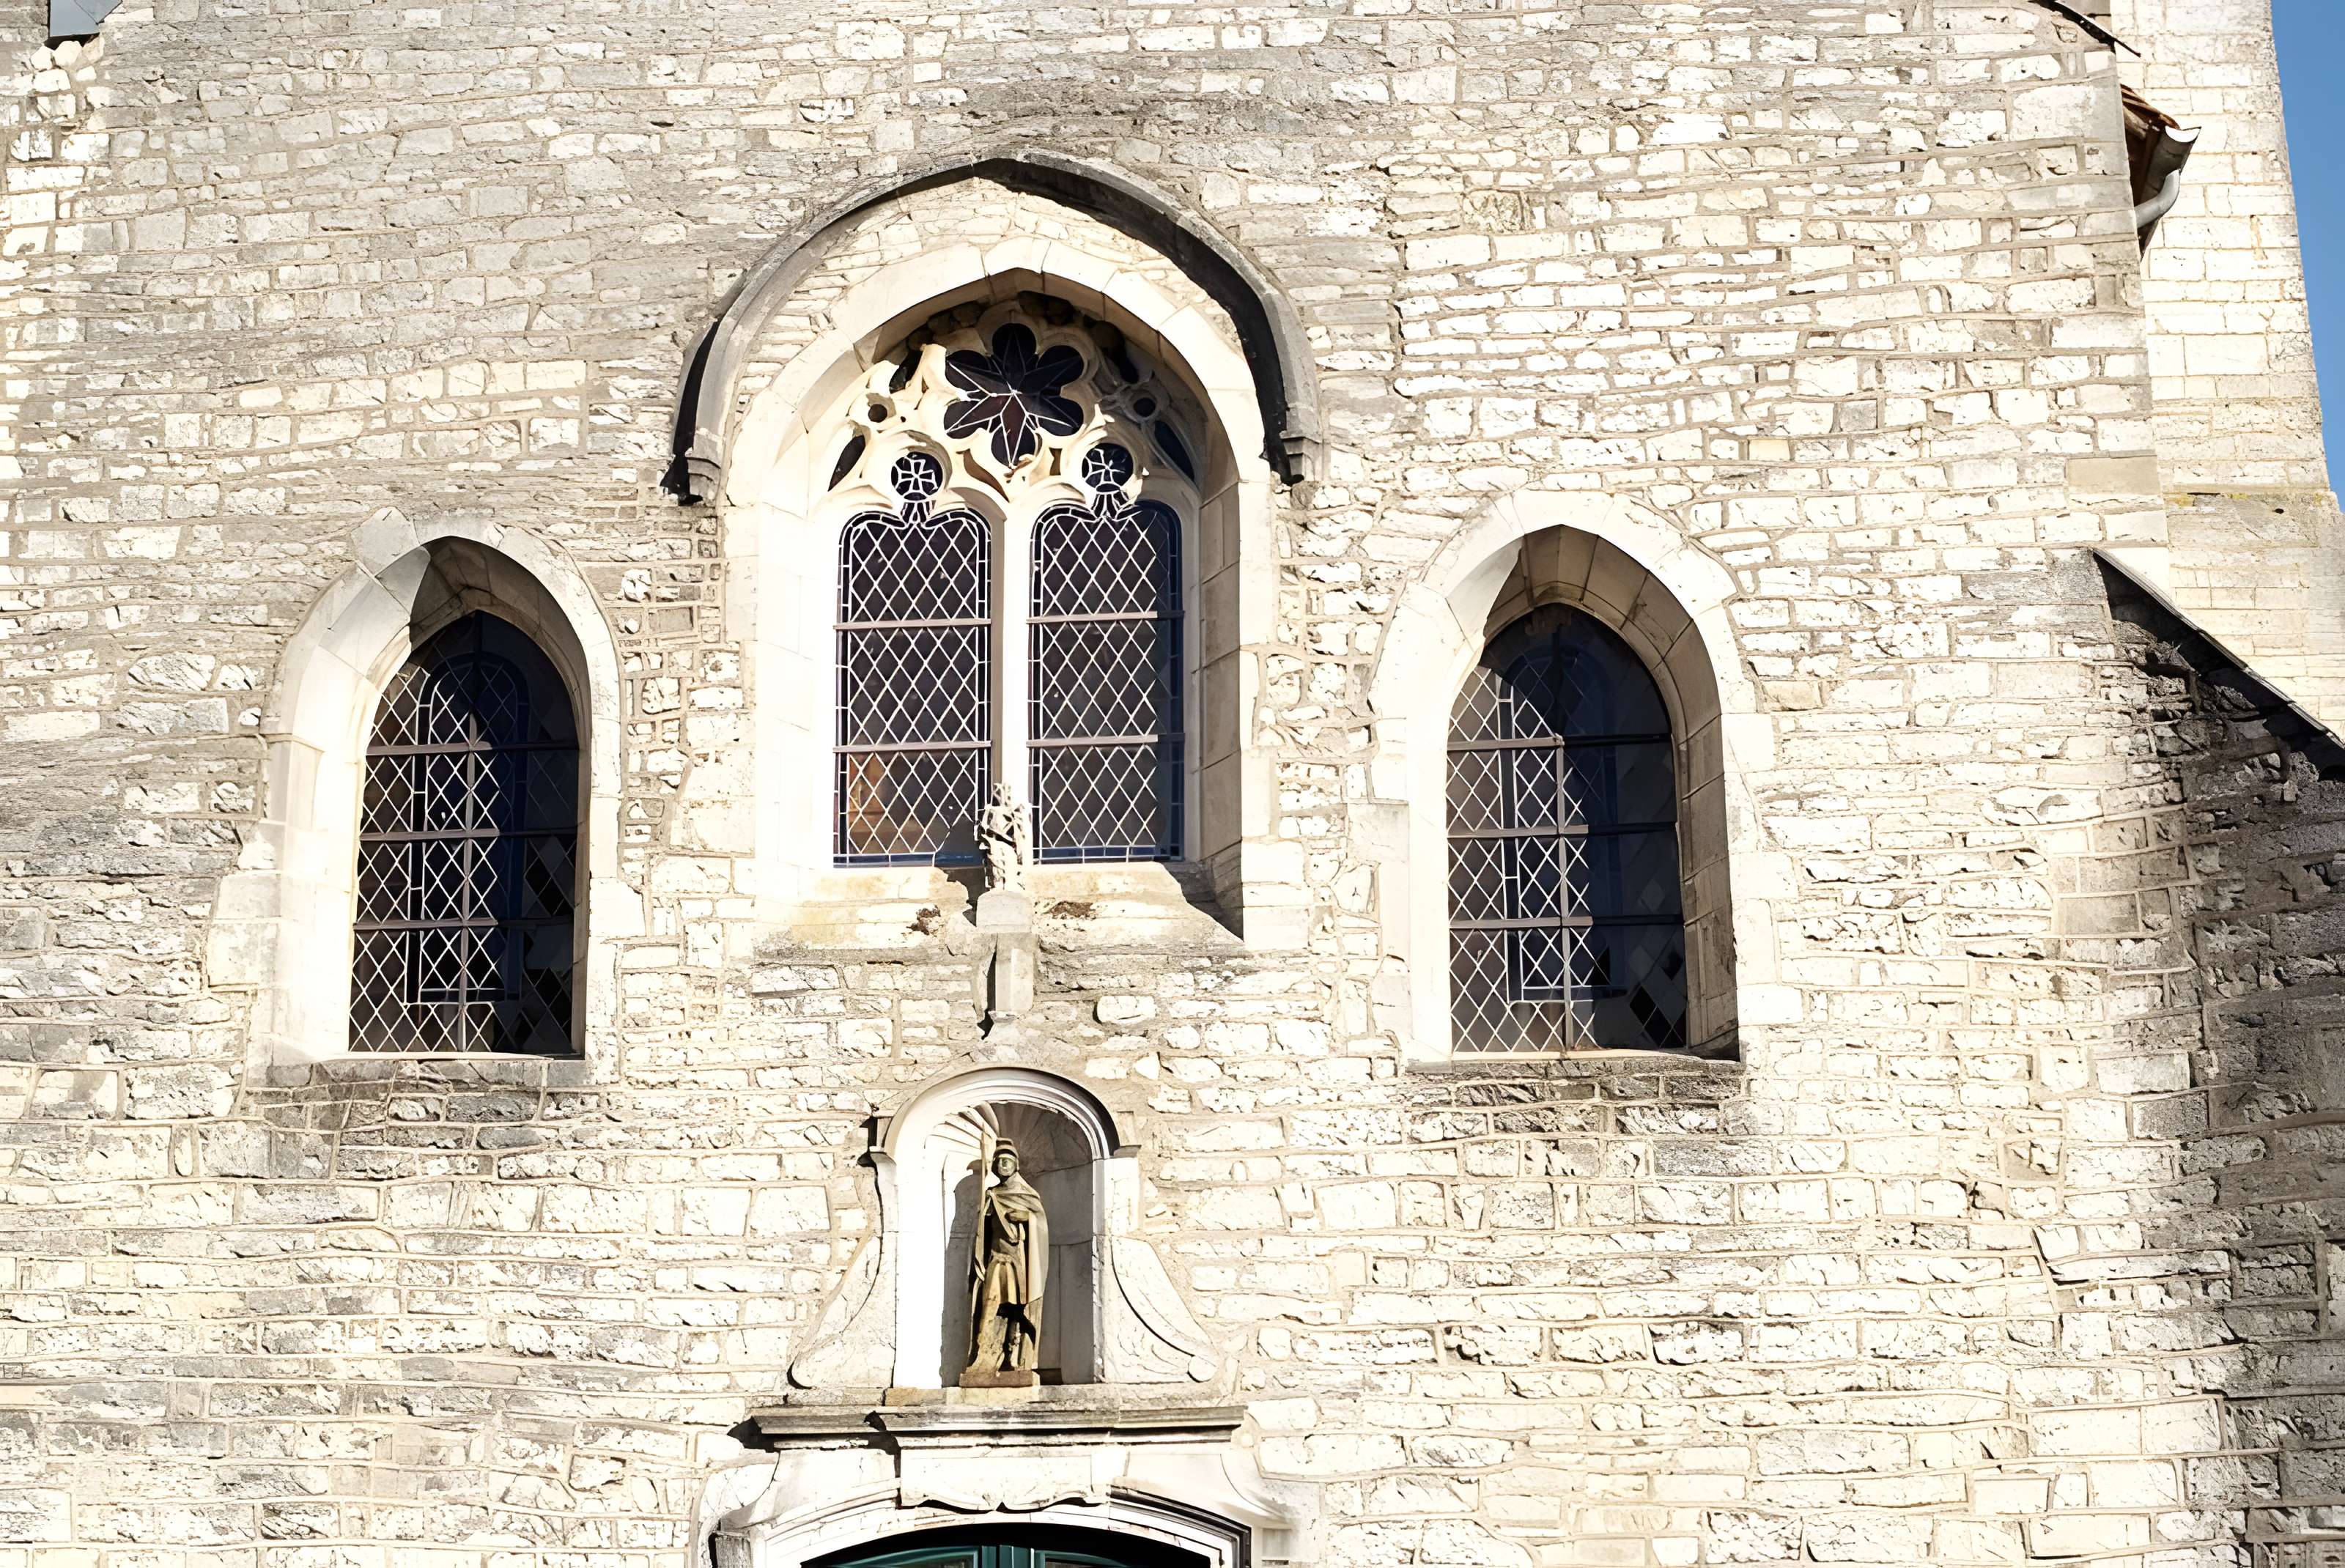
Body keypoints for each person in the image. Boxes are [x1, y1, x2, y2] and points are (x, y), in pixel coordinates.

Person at [965, 1139, 1049, 1378]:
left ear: (1016, 1165)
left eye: (1007, 1160)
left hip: (1019, 1262)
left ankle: (1013, 1357)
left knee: (1017, 1309)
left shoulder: (1027, 1195)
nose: (1003, 1164)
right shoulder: (992, 1195)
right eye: (999, 1161)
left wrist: (1028, 1218)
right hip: (996, 1259)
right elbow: (981, 1233)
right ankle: (982, 1357)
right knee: (989, 1305)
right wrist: (985, 1213)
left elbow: (1040, 1225)